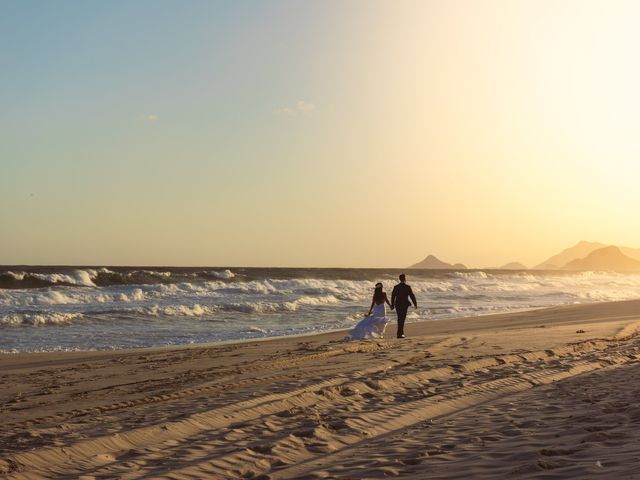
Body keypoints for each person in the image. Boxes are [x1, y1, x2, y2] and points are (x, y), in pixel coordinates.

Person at [390, 273, 417, 338]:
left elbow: (393, 296)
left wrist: (392, 304)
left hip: (398, 304)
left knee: (399, 318)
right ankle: (400, 333)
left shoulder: (396, 287)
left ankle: (399, 333)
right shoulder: (407, 287)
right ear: (405, 279)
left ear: (399, 279)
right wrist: (415, 303)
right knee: (402, 318)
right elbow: (412, 295)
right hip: (404, 304)